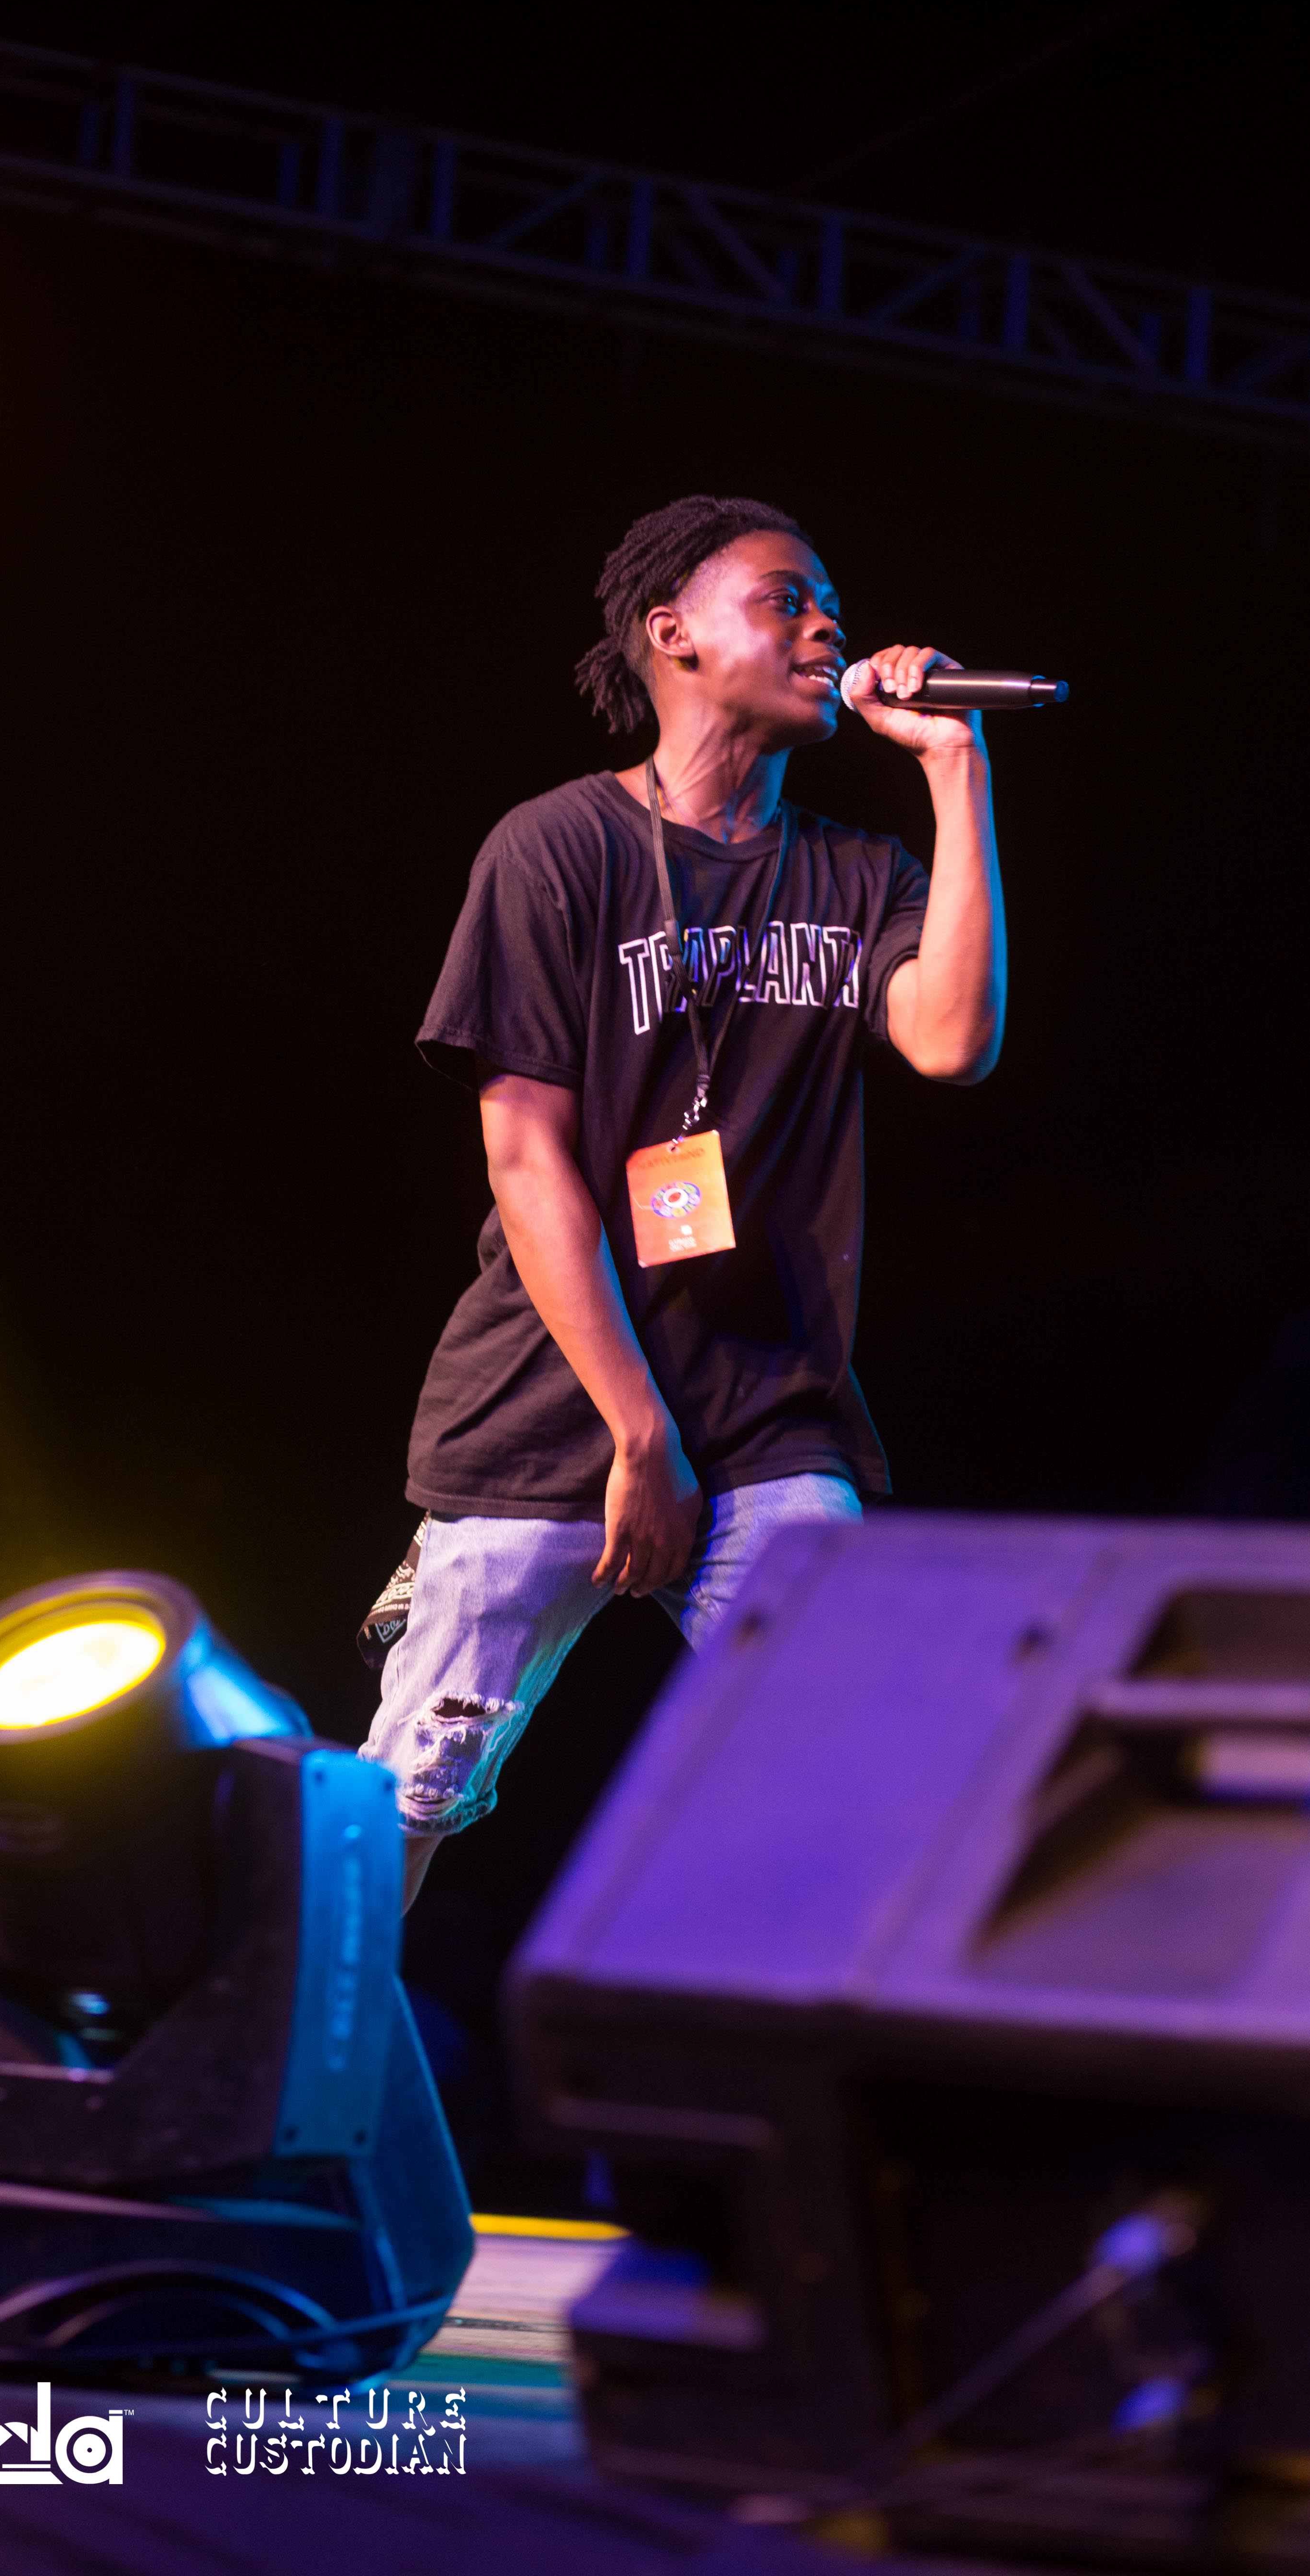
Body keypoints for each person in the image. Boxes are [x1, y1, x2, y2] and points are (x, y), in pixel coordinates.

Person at [361, 494, 1006, 1907]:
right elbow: (525, 1156)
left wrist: (956, 769)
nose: (827, 627)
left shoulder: (856, 874)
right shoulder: (557, 849)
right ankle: (303, 2043)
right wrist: (635, 1432)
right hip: (551, 1413)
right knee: (411, 1799)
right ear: (674, 635)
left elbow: (954, 1038)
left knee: (867, 1777)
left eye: (830, 606)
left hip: (766, 1411)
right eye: (787, 599)